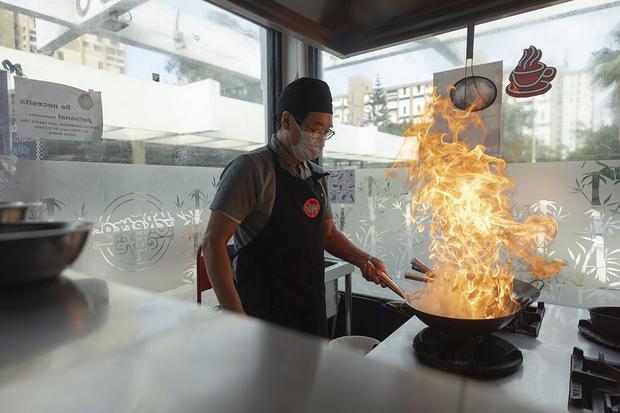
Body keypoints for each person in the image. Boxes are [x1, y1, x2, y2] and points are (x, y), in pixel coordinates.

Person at [203, 77, 387, 337]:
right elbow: (213, 243)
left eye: (327, 131)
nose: (321, 138)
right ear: (287, 121)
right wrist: (237, 320)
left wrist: (364, 259)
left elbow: (329, 234)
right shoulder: (251, 170)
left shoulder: (315, 176)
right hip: (262, 315)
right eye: (315, 128)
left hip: (310, 310)